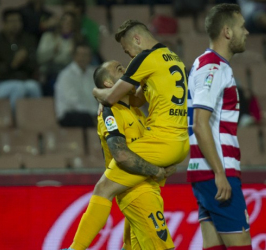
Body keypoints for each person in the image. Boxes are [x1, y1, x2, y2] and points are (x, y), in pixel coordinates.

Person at [69, 19, 189, 250]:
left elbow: (116, 96)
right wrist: (158, 170)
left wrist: (97, 92)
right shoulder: (172, 57)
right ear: (108, 82)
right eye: (121, 64)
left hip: (159, 152)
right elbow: (121, 151)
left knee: (103, 189)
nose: (129, 60)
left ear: (137, 39)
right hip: (160, 161)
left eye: (127, 51)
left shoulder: (143, 63)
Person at [187, 4, 252, 250]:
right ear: (227, 31)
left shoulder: (207, 64)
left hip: (205, 172)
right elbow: (200, 123)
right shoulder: (213, 67)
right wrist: (220, 173)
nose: (247, 32)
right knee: (241, 245)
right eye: (242, 27)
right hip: (215, 172)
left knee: (214, 245)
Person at [0, 8, 42, 112]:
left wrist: (25, 60)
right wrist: (12, 64)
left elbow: (34, 66)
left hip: (23, 80)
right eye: (12, 21)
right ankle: (13, 119)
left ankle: (36, 119)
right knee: (18, 87)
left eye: (18, 21)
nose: (15, 24)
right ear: (4, 23)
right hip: (1, 83)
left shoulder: (27, 40)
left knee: (34, 87)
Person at [37, 11, 83, 96]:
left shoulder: (77, 40)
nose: (66, 24)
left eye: (70, 22)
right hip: (51, 72)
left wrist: (73, 54)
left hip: (71, 73)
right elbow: (40, 58)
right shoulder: (48, 37)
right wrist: (53, 51)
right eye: (64, 20)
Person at [54, 43, 98, 128]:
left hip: (90, 113)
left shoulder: (93, 73)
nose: (83, 58)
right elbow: (73, 102)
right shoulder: (66, 75)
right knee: (87, 118)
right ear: (74, 56)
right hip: (69, 114)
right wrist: (93, 114)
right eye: (80, 55)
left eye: (86, 55)